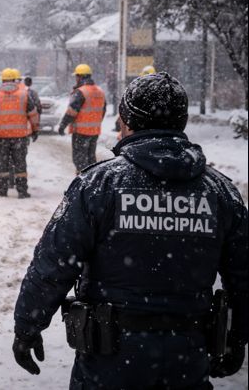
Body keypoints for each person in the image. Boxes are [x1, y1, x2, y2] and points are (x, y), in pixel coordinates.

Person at [12, 72, 248, 389]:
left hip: (109, 359)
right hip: (186, 357)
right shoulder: (220, 192)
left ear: (125, 119)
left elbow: (54, 261)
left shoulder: (98, 185)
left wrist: (28, 324)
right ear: (183, 120)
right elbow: (243, 275)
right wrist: (238, 336)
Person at [0, 68, 39, 198]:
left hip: (1, 136)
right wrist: (35, 129)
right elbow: (33, 114)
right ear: (14, 80)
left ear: (2, 80)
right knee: (20, 163)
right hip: (19, 136)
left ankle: (2, 189)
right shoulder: (24, 95)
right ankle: (22, 190)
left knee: (2, 163)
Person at [58, 64, 107, 174]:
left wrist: (62, 125)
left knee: (80, 160)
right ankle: (93, 182)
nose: (76, 79)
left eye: (76, 76)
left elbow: (71, 112)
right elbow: (102, 111)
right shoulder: (100, 91)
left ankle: (82, 183)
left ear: (80, 77)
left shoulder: (81, 92)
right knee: (91, 158)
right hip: (94, 131)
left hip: (81, 132)